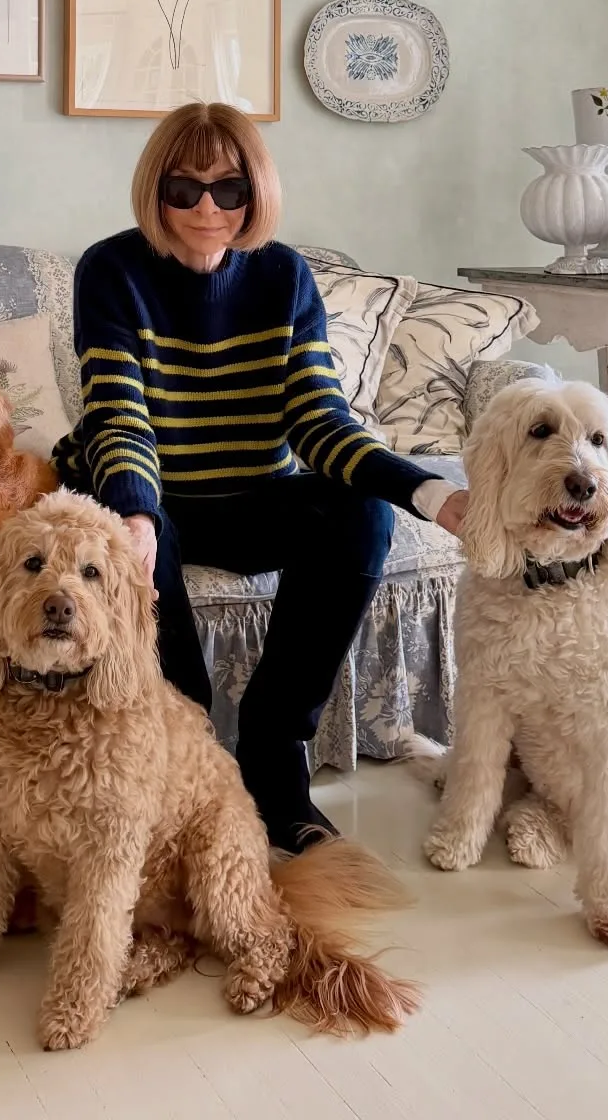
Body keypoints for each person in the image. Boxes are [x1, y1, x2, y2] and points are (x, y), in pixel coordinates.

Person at [53, 102, 469, 853]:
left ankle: (276, 766)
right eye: (184, 189)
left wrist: (433, 496)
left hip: (252, 495)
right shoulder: (111, 270)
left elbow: (321, 422)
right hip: (153, 494)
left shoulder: (283, 276)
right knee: (129, 541)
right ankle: (191, 763)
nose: (207, 208)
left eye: (228, 189)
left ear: (255, 193)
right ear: (156, 191)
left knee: (361, 516)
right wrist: (136, 517)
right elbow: (120, 418)